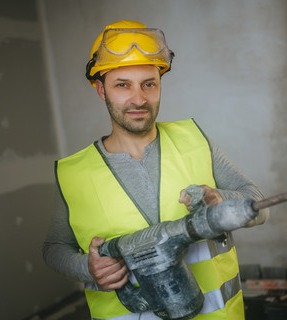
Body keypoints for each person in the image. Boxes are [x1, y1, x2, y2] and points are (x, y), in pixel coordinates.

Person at [42, 20, 268, 320]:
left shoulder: (195, 140)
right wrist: (86, 267)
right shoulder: (73, 173)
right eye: (123, 85)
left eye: (149, 84)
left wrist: (219, 200)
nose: (139, 99)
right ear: (101, 90)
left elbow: (260, 207)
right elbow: (55, 248)